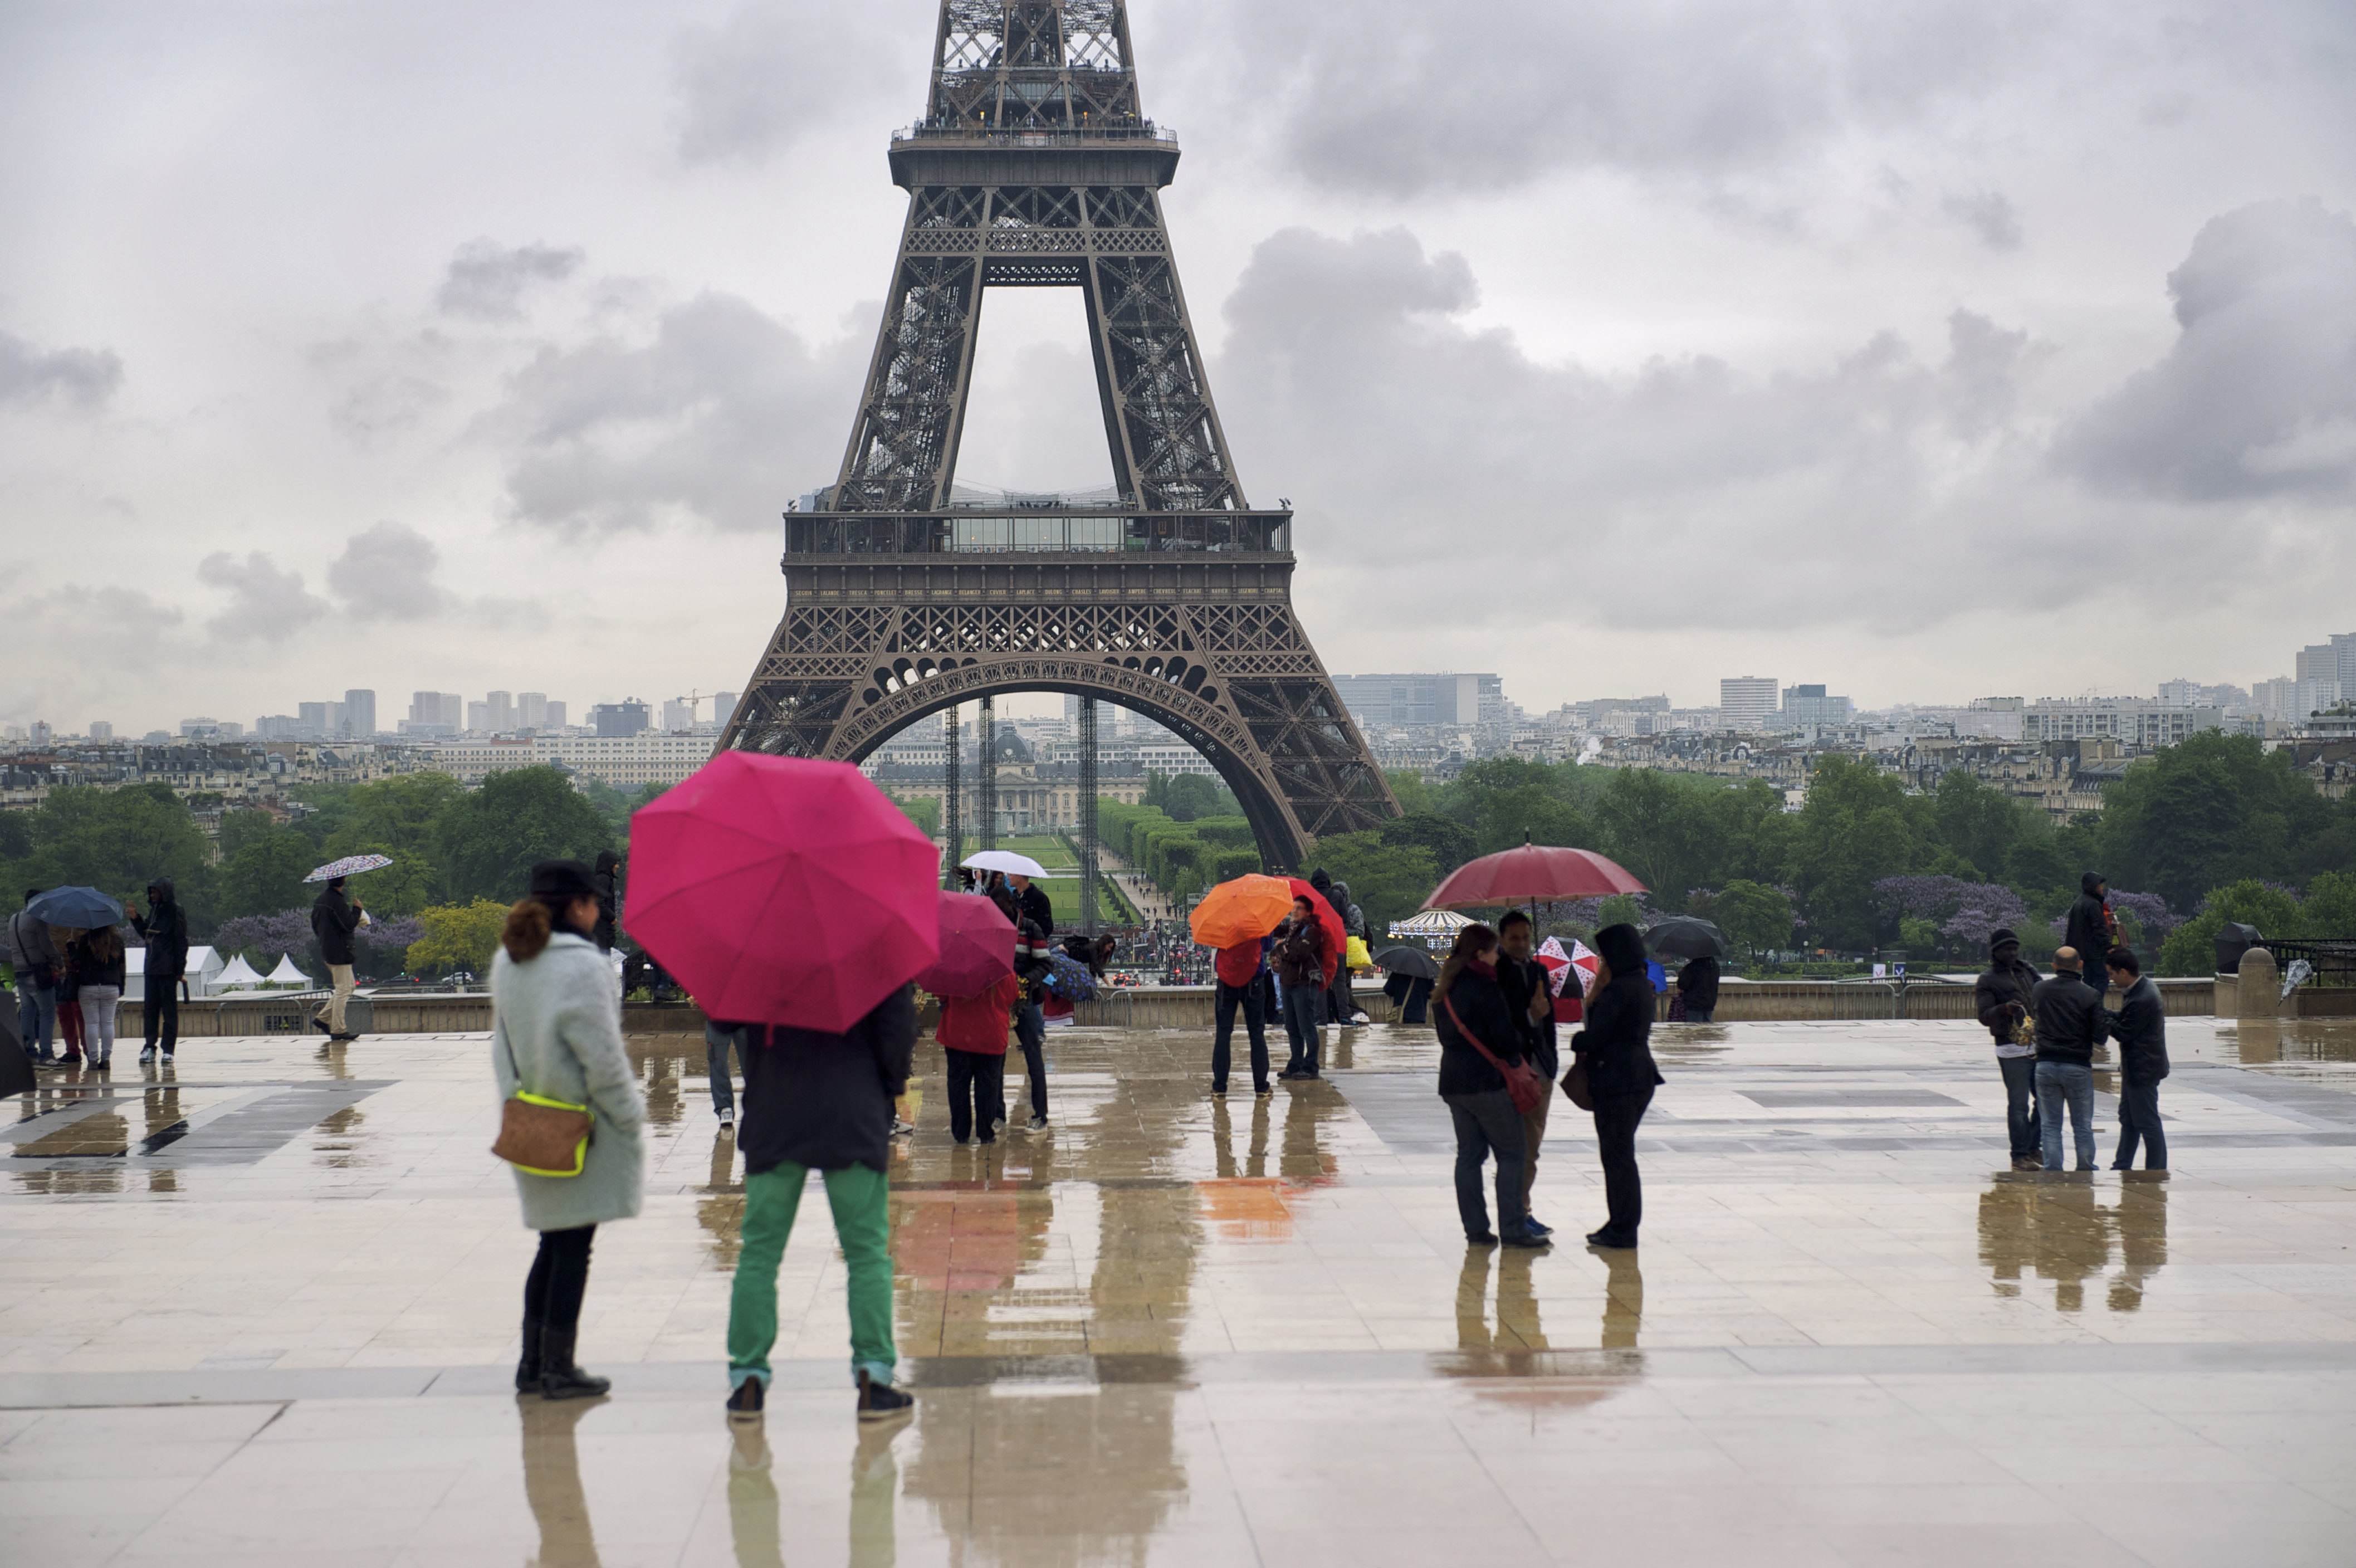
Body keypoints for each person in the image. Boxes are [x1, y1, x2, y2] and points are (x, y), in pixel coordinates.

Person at [721, 981, 918, 1425]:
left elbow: (721, 1016)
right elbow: (899, 1028)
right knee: (866, 1252)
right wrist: (886, 1090)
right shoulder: (875, 939)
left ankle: (748, 1380)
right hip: (851, 1106)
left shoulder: (761, 942)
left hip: (775, 1108)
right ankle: (874, 1377)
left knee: (760, 1252)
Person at [493, 860, 646, 1400]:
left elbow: (500, 1050)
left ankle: (532, 1364)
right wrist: (630, 1116)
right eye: (596, 901)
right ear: (578, 905)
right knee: (573, 1247)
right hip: (580, 1125)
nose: (601, 910)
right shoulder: (584, 965)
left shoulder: (512, 960)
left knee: (552, 1243)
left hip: (530, 1118)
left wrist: (517, 1102)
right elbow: (602, 1059)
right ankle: (558, 1367)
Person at [1433, 922, 1543, 1247]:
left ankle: (1476, 1230)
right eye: (1495, 951)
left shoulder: (1445, 991)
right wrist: (1530, 1025)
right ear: (1480, 953)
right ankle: (1513, 1228)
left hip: (1454, 1083)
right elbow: (1507, 1042)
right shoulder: (1485, 987)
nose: (1499, 957)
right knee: (1512, 1153)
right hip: (1488, 1084)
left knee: (1469, 1156)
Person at [1573, 924, 1664, 1249]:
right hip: (1637, 1076)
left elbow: (1597, 1036)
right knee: (1621, 1156)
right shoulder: (1640, 985)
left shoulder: (1617, 991)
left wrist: (1577, 1039)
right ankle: (1621, 1223)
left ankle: (1623, 1228)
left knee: (1617, 1158)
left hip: (1617, 1080)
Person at [1494, 911, 1560, 1237]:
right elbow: (1500, 1023)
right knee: (1513, 1149)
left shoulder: (1539, 972)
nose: (1521, 944)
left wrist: (1552, 1062)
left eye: (1525, 937)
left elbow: (1550, 1021)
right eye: (1514, 938)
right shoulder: (1496, 974)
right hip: (1511, 1072)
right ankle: (1515, 1214)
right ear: (1503, 940)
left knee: (1532, 1147)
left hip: (1540, 1071)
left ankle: (1523, 1208)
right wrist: (1530, 1017)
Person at [2030, 946, 2107, 1171]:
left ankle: (2053, 1171)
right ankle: (2085, 1169)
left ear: (2054, 966)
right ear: (2080, 965)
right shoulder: (2090, 995)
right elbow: (2100, 1036)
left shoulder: (2040, 990)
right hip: (2077, 1065)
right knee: (2082, 1125)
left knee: (2051, 1125)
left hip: (2045, 1064)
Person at [1974, 929, 2046, 1170]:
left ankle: (2034, 1146)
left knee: (2045, 1100)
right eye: (2008, 949)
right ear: (1996, 952)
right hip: (2011, 1049)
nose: (2013, 953)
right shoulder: (1987, 980)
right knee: (2019, 1104)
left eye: (2015, 948)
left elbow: (2044, 994)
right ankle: (2019, 1155)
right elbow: (1984, 1017)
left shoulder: (2027, 971)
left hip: (2037, 1045)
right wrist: (2004, 1009)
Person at [2105, 947, 2169, 1171]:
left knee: (2147, 1123)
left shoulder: (2142, 998)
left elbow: (2124, 1032)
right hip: (2137, 1068)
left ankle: (2156, 1170)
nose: (2111, 979)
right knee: (2129, 1120)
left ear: (2123, 972)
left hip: (2143, 1069)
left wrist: (2101, 1019)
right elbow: (2124, 1019)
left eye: (2112, 974)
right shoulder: (2142, 988)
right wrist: (2105, 1013)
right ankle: (2121, 1165)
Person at [938, 971, 1018, 1143]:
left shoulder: (955, 968)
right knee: (988, 1086)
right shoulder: (1002, 969)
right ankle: (985, 1132)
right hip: (991, 1033)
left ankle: (961, 1133)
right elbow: (1011, 996)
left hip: (959, 1033)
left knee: (958, 1085)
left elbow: (942, 995)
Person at [1004, 873, 1054, 1132]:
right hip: (1001, 1000)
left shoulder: (1030, 924)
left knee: (1034, 1057)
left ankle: (1041, 1114)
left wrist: (1025, 982)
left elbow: (1045, 960)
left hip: (1023, 998)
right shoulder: (1001, 926)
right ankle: (998, 1115)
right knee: (994, 1060)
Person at [129, 877, 188, 1063]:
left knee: (169, 1011)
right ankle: (149, 1046)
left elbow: (181, 942)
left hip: (168, 969)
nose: (152, 895)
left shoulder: (176, 911)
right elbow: (146, 933)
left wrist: (179, 969)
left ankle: (168, 1049)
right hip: (152, 968)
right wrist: (136, 919)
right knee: (150, 1010)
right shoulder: (154, 911)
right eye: (151, 892)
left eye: (155, 892)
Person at [1274, 897, 1327, 1080]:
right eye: (1293, 908)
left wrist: (1282, 948)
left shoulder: (1311, 932)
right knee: (1292, 1027)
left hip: (1304, 985)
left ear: (1308, 912)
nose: (1294, 911)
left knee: (1306, 1027)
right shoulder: (1292, 930)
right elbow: (1274, 930)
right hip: (1289, 983)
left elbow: (1298, 955)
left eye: (1299, 908)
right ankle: (1296, 1063)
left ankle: (1311, 1065)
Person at [1211, 934, 1271, 1097]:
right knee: (1257, 1035)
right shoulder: (1258, 919)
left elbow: (1215, 941)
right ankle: (1261, 1087)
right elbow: (1266, 946)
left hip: (1227, 980)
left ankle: (1219, 1087)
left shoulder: (1223, 917)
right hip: (1254, 979)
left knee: (1223, 1034)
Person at [310, 875, 365, 1041]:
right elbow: (348, 924)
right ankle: (338, 1029)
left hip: (328, 949)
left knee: (348, 987)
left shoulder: (320, 900)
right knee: (343, 990)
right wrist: (357, 909)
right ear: (343, 883)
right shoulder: (337, 901)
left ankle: (323, 1019)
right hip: (340, 951)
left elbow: (315, 925)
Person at [8, 891, 60, 1063]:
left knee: (27, 1011)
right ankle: (46, 1054)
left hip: (19, 972)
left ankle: (28, 1050)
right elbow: (46, 945)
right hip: (37, 972)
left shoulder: (13, 919)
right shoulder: (37, 919)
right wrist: (59, 961)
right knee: (47, 1012)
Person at [73, 925, 126, 1071]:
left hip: (88, 986)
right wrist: (122, 986)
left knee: (91, 1023)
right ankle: (106, 1058)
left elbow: (77, 962)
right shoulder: (117, 940)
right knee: (108, 1023)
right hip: (111, 985)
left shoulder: (86, 939)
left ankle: (93, 1059)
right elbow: (122, 965)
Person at [2064, 874, 2113, 999]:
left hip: (2084, 954)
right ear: (2094, 886)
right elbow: (2099, 929)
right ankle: (2096, 1008)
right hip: (2096, 953)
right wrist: (2109, 947)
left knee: (2089, 982)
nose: (2102, 888)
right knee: (2102, 980)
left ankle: (2088, 1009)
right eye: (2100, 885)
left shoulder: (2078, 902)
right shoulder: (2093, 904)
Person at [704, 1017, 745, 1133]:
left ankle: (757, 1104)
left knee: (751, 1063)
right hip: (718, 1014)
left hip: (746, 1013)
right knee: (718, 1060)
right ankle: (724, 1107)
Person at [591, 851, 622, 952]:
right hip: (602, 933)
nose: (617, 867)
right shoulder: (604, 879)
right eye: (616, 863)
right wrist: (612, 917)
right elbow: (598, 902)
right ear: (610, 864)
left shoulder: (601, 879)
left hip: (600, 934)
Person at [1675, 955, 1720, 1023]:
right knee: (1707, 1030)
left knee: (1694, 1031)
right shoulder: (1715, 967)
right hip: (1709, 1004)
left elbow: (1682, 984)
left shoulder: (1693, 967)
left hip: (1694, 1005)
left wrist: (1684, 971)